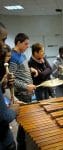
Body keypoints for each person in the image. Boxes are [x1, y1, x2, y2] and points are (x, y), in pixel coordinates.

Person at [9, 33, 36, 150]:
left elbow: (22, 70)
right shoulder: (13, 57)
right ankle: (21, 145)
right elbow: (12, 80)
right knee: (24, 122)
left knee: (27, 121)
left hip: (27, 93)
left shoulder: (22, 55)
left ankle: (24, 143)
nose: (27, 46)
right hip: (21, 94)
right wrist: (26, 86)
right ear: (18, 43)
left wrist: (30, 69)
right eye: (25, 44)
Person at [0, 22, 17, 150]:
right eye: (3, 40)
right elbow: (3, 117)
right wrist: (14, 110)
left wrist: (3, 84)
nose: (4, 45)